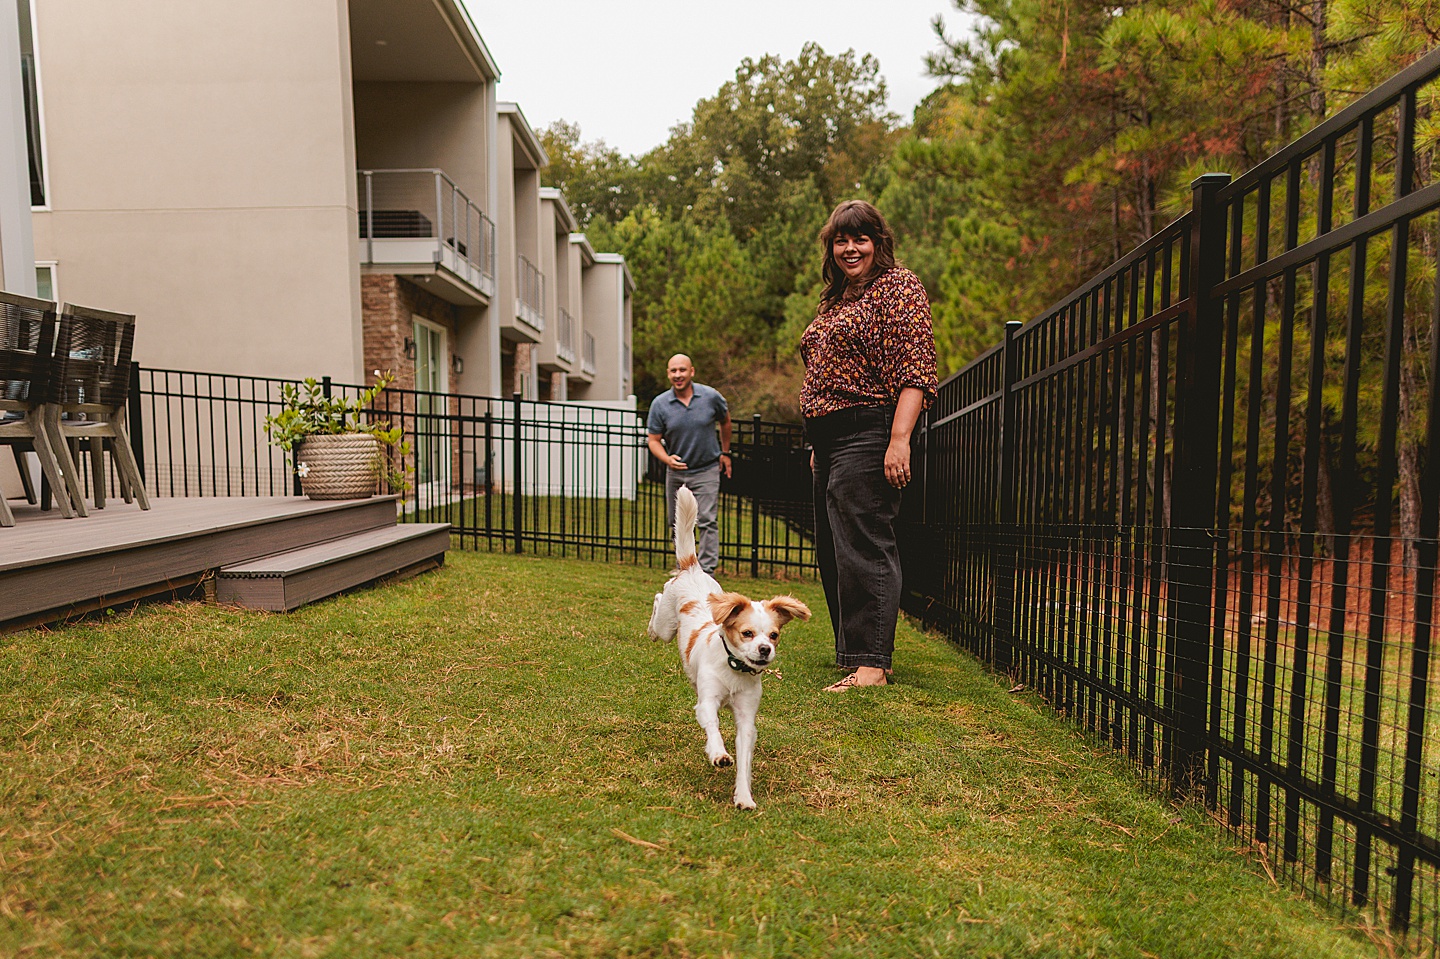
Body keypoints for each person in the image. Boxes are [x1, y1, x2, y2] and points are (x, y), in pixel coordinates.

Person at [800, 200, 938, 692]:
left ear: (878, 242)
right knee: (834, 549)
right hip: (831, 437)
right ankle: (856, 652)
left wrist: (899, 439)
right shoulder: (835, 299)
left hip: (870, 428)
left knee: (864, 544)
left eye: (860, 238)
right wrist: (820, 438)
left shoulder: (899, 287)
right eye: (841, 240)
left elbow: (915, 370)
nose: (850, 248)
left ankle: (872, 665)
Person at [646, 354, 732, 574]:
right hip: (676, 474)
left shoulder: (710, 397)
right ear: (668, 374)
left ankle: (707, 573)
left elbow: (725, 421)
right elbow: (653, 440)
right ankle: (685, 572)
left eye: (682, 370)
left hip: (706, 470)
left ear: (691, 371)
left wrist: (725, 452)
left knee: (707, 521)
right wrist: (667, 459)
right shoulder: (660, 404)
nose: (678, 375)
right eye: (673, 371)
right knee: (678, 524)